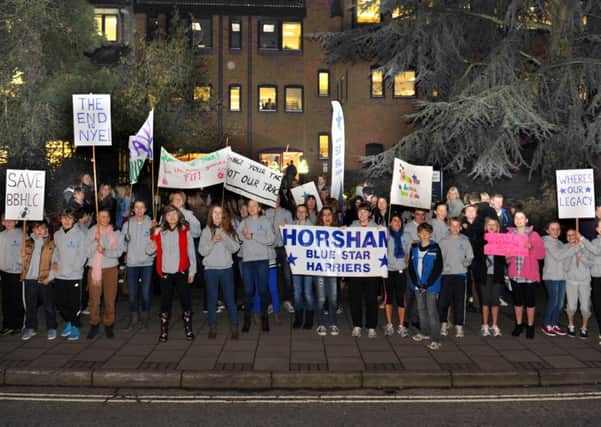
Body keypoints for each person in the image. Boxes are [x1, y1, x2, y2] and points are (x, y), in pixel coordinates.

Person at [148, 205, 197, 342]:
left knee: (185, 301)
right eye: (169, 215)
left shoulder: (185, 231)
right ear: (164, 217)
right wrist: (153, 238)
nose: (172, 217)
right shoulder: (159, 231)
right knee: (165, 302)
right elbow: (149, 251)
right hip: (165, 273)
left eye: (174, 214)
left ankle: (188, 329)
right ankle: (163, 331)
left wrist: (192, 271)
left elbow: (191, 252)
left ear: (179, 215)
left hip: (181, 271)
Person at [198, 205, 240, 339]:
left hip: (226, 269)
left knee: (230, 299)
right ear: (211, 215)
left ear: (224, 215)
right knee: (212, 299)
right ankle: (212, 325)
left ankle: (234, 326)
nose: (217, 215)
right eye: (215, 213)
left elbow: (235, 248)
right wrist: (212, 241)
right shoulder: (206, 231)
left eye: (220, 213)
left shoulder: (229, 230)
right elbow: (202, 251)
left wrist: (224, 236)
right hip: (211, 270)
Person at [85, 209, 125, 339]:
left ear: (109, 218)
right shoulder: (91, 232)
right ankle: (94, 323)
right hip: (94, 269)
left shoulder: (116, 233)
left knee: (110, 299)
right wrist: (94, 242)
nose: (105, 219)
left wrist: (105, 251)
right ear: (97, 217)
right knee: (94, 299)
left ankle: (109, 323)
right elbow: (86, 252)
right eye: (102, 216)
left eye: (107, 216)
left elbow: (119, 252)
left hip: (111, 269)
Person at [506, 211, 545, 339]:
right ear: (514, 220)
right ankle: (518, 325)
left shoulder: (534, 235)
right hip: (515, 274)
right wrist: (508, 256)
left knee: (530, 302)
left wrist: (531, 247)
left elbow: (541, 254)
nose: (519, 220)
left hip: (529, 275)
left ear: (526, 220)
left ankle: (530, 326)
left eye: (521, 218)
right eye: (516, 218)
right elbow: (505, 256)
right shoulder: (509, 235)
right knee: (517, 302)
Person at [237, 199, 275, 332]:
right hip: (247, 261)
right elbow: (238, 238)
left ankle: (264, 318)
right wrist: (243, 234)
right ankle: (246, 319)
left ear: (259, 208)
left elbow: (271, 240)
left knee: (263, 291)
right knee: (248, 292)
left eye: (255, 206)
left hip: (262, 260)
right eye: (249, 206)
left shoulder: (265, 221)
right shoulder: (243, 222)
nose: (252, 208)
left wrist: (253, 235)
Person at [52, 208, 89, 341]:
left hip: (74, 275)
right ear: (60, 219)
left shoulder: (80, 235)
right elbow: (56, 251)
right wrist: (55, 261)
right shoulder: (57, 235)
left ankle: (74, 327)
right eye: (64, 218)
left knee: (74, 303)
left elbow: (83, 254)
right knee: (60, 302)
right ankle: (70, 321)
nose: (66, 221)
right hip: (60, 274)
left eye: (69, 218)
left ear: (74, 220)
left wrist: (74, 268)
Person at [408, 223, 444, 350]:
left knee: (431, 311)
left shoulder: (435, 247)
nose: (424, 235)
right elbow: (411, 266)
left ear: (430, 234)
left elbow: (438, 268)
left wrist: (427, 284)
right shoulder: (414, 247)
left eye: (427, 233)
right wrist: (417, 283)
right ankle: (424, 332)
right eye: (422, 232)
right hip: (418, 284)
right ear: (418, 233)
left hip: (431, 285)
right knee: (420, 310)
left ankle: (436, 339)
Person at [20, 221, 57, 341]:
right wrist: (21, 256)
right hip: (30, 279)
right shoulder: (26, 243)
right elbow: (20, 263)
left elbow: (55, 263)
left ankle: (51, 327)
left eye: (42, 228)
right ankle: (31, 327)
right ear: (32, 230)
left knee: (48, 305)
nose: (39, 231)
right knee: (30, 305)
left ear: (46, 229)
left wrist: (50, 277)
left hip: (44, 279)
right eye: (37, 228)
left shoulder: (51, 244)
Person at [438, 217, 474, 338]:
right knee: (443, 301)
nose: (454, 228)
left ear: (460, 227)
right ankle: (443, 323)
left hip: (460, 275)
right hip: (446, 275)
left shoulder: (465, 240)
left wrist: (465, 263)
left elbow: (470, 256)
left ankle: (459, 326)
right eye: (452, 226)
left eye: (457, 226)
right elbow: (439, 258)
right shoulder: (443, 241)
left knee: (459, 301)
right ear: (449, 227)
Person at [541, 220, 577, 336]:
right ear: (547, 230)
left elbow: (566, 255)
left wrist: (573, 244)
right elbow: (559, 256)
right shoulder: (546, 241)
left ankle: (554, 324)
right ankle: (547, 324)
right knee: (553, 301)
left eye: (557, 229)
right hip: (551, 276)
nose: (555, 231)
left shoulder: (560, 243)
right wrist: (574, 248)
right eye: (552, 229)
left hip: (562, 276)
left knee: (560, 303)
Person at [123, 200, 155, 330]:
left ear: (146, 209)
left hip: (147, 262)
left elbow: (155, 243)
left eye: (142, 207)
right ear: (133, 209)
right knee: (132, 293)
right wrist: (125, 252)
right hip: (132, 262)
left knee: (146, 292)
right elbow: (124, 242)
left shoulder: (151, 223)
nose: (139, 210)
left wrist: (155, 229)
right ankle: (134, 317)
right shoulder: (127, 224)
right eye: (137, 207)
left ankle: (145, 317)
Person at [349, 203, 379, 338]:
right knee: (355, 298)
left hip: (371, 270)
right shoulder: (352, 227)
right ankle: (357, 325)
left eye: (365, 212)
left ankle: (371, 326)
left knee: (371, 298)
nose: (362, 214)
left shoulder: (376, 228)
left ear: (369, 214)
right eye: (360, 212)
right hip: (356, 270)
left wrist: (385, 233)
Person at [264, 196, 294, 314]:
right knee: (271, 277)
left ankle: (288, 301)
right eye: (273, 198)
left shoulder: (286, 213)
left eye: (277, 198)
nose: (275, 200)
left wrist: (285, 227)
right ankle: (271, 303)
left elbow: (292, 229)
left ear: (280, 200)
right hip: (271, 248)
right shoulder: (266, 213)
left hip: (284, 248)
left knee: (287, 276)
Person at [384, 213, 411, 337]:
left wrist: (407, 260)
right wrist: (384, 237)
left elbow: (409, 253)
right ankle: (389, 324)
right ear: (390, 223)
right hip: (388, 271)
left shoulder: (406, 236)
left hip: (401, 271)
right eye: (394, 221)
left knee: (401, 299)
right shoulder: (386, 235)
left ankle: (401, 325)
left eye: (399, 221)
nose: (397, 223)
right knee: (388, 298)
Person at [478, 218, 506, 336]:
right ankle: (484, 325)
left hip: (497, 275)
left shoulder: (502, 240)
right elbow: (476, 258)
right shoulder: (480, 240)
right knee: (485, 301)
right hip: (484, 275)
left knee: (495, 301)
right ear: (486, 226)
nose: (491, 226)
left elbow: (505, 257)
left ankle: (494, 324)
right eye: (489, 224)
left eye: (494, 225)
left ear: (497, 227)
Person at [314, 207, 340, 336]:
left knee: (333, 299)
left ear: (333, 216)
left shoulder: (338, 231)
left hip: (333, 270)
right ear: (321, 218)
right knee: (321, 299)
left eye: (329, 214)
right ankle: (321, 324)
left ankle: (333, 323)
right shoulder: (314, 231)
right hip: (319, 269)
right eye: (324, 215)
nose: (327, 217)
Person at [563, 228, 593, 338]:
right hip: (571, 281)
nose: (571, 237)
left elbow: (591, 264)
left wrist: (582, 258)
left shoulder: (585, 247)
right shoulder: (565, 248)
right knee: (571, 306)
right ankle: (571, 325)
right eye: (569, 235)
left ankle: (584, 327)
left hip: (584, 281)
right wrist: (571, 254)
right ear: (566, 237)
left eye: (573, 235)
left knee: (585, 307)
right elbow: (564, 267)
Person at [290, 204, 316, 330]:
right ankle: (298, 318)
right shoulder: (291, 227)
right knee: (297, 293)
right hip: (295, 265)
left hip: (308, 265)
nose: (301, 213)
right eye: (299, 211)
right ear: (296, 213)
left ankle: (309, 319)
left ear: (307, 214)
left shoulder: (312, 227)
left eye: (303, 211)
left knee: (308, 292)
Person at [0, 216, 23, 335]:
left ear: (16, 221)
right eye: (5, 220)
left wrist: (21, 263)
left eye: (10, 220)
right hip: (4, 272)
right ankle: (7, 324)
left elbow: (24, 253)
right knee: (6, 299)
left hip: (16, 272)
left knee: (16, 299)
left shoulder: (21, 235)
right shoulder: (1, 235)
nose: (7, 223)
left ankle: (17, 324)